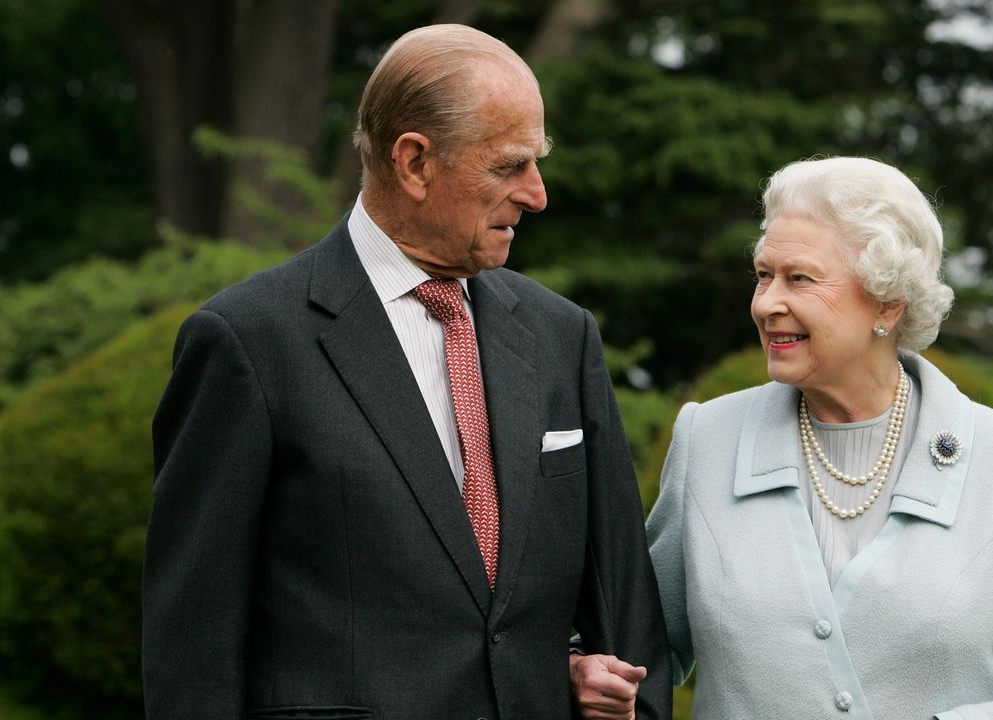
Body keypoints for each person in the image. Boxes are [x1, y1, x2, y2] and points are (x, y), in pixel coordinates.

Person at [144, 24, 670, 720]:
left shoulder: (561, 336)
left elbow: (626, 613)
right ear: (415, 163)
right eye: (510, 166)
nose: (537, 194)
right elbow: (192, 647)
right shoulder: (247, 342)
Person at [576, 156, 993, 719]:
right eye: (764, 275)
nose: (767, 304)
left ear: (887, 300)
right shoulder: (707, 439)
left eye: (801, 279)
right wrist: (588, 674)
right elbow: (637, 646)